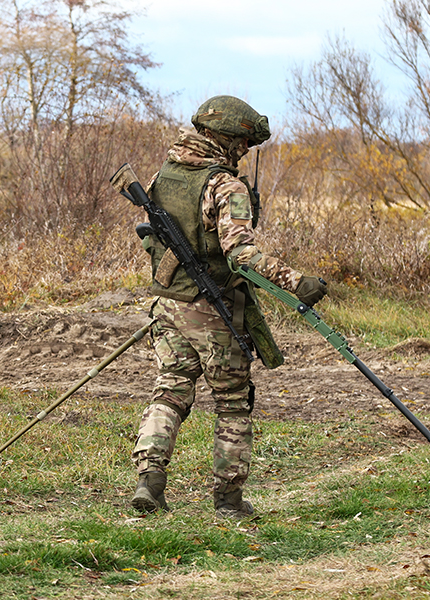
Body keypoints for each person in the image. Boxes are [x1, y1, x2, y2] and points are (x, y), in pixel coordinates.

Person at [130, 96, 328, 518]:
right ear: (228, 140)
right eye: (242, 144)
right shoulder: (225, 186)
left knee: (169, 390)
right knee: (233, 404)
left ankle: (149, 482)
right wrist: (299, 284)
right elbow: (242, 256)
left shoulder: (162, 176)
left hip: (167, 307)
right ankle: (229, 501)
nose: (243, 153)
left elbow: (151, 239)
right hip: (213, 310)